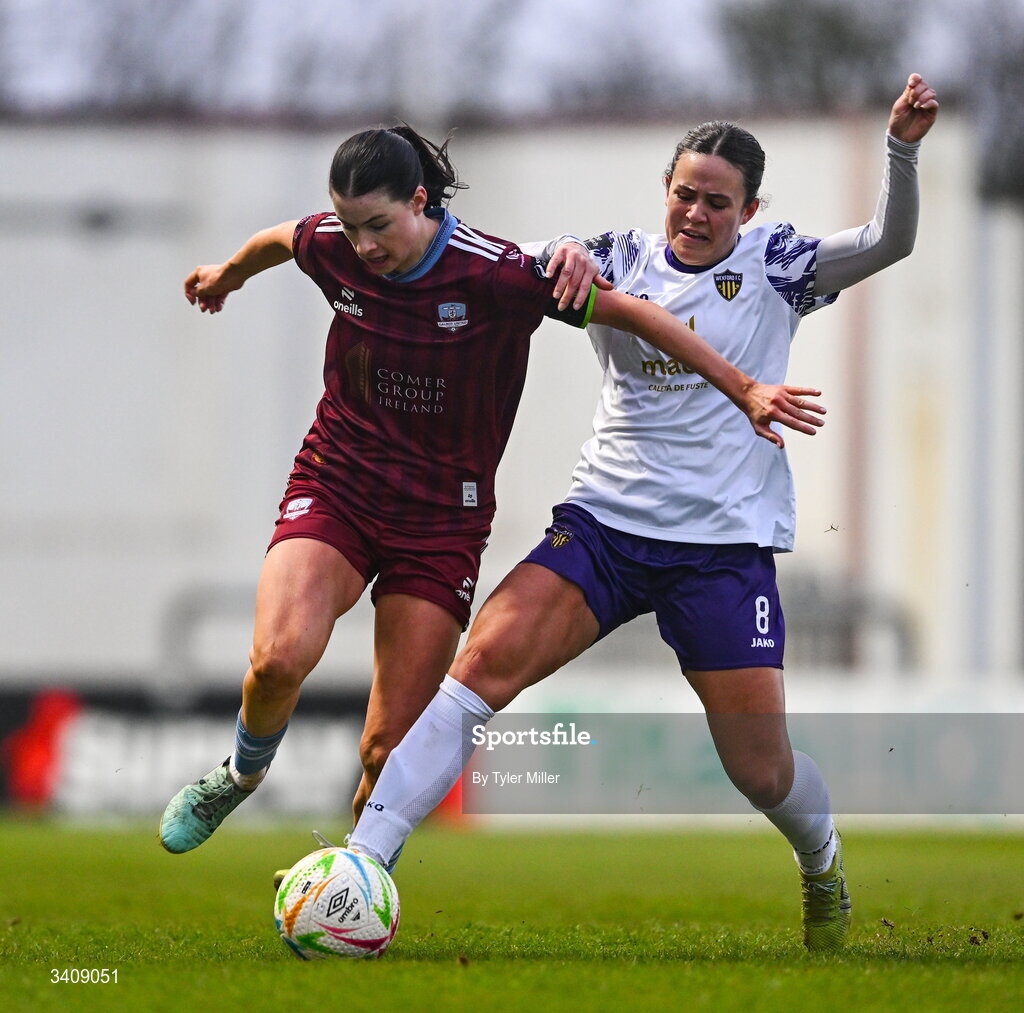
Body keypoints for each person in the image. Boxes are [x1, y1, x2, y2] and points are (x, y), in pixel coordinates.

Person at [344, 75, 939, 953]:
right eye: (685, 194)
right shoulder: (612, 258)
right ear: (666, 191)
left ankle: (821, 858)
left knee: (761, 771)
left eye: (717, 202)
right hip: (605, 528)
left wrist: (901, 147)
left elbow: (891, 240)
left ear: (750, 208)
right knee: (484, 663)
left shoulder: (776, 266)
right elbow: (477, 257)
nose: (696, 214)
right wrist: (387, 240)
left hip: (721, 549)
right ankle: (362, 864)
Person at [158, 124, 826, 856]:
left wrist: (745, 389)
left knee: (389, 752)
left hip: (442, 520)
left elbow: (635, 312)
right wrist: (227, 273)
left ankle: (350, 889)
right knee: (280, 657)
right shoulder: (332, 243)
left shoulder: (494, 276)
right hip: (340, 481)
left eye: (379, 226)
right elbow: (284, 239)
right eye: (350, 228)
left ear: (420, 201)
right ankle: (240, 774)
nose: (364, 247)